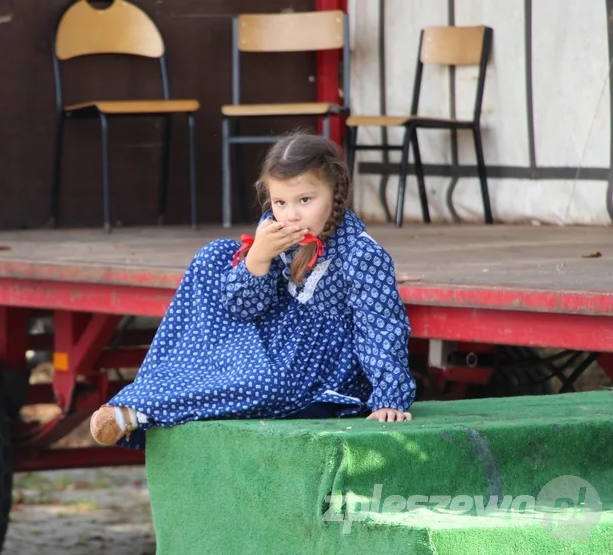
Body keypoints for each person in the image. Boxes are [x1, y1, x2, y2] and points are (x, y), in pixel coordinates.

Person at [90, 132, 416, 448]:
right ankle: (145, 394)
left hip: (315, 367)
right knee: (215, 255)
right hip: (268, 336)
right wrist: (258, 258)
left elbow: (381, 329)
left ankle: (141, 411)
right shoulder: (272, 231)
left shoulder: (361, 255)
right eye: (280, 202)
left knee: (267, 382)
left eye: (305, 200)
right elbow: (243, 308)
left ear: (336, 192)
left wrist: (389, 397)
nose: (291, 214)